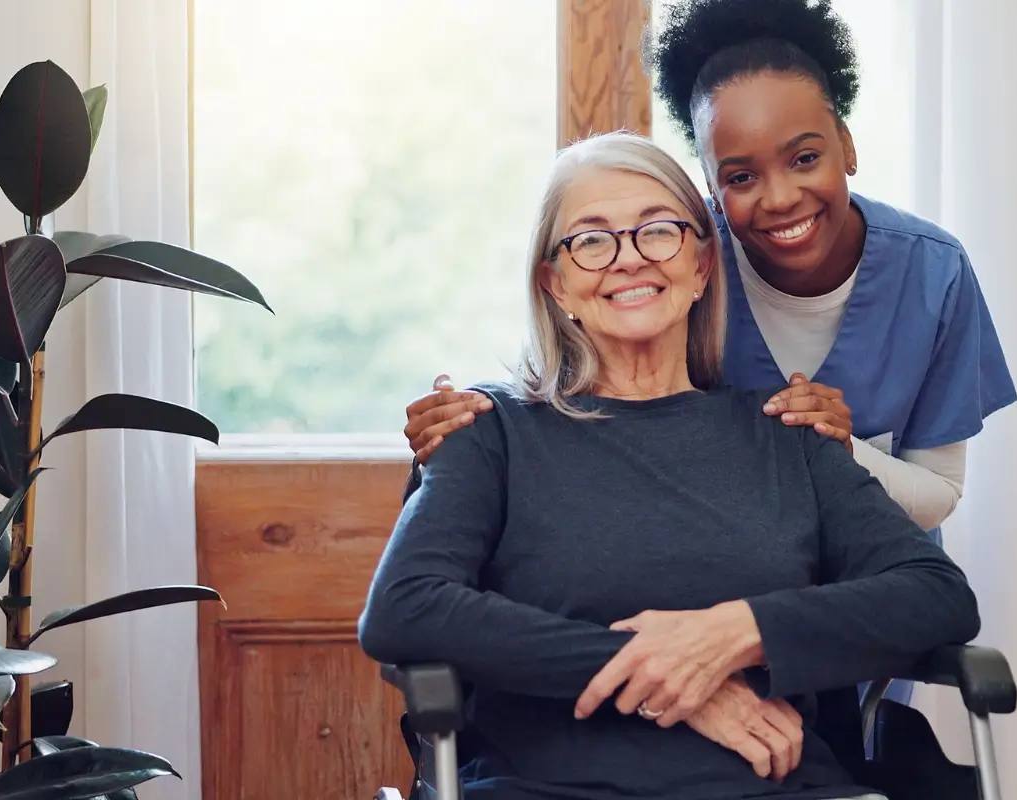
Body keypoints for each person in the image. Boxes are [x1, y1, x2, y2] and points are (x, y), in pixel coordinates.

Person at [401, 0, 1015, 711]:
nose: (779, 197)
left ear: (846, 143)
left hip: (826, 632)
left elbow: (937, 526)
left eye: (805, 157)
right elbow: (567, 398)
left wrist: (835, 455)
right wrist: (467, 428)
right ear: (711, 192)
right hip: (604, 704)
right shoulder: (660, 258)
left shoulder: (929, 278)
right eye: (740, 176)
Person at [358, 132, 980, 800]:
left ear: (703, 265)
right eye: (591, 241)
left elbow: (937, 596)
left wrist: (736, 634)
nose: (627, 259)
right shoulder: (489, 431)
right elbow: (404, 608)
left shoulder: (785, 434)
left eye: (658, 231)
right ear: (555, 282)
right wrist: (664, 673)